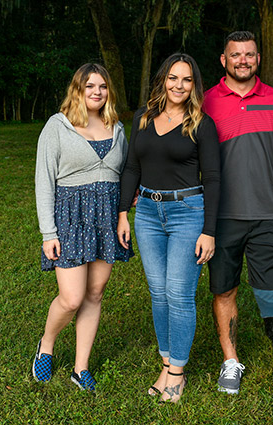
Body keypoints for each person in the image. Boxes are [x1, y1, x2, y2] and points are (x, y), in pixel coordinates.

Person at [201, 30, 273, 409]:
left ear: (258, 59)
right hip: (220, 217)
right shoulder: (206, 102)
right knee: (224, 290)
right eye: (235, 55)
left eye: (248, 55)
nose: (242, 60)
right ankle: (231, 362)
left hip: (267, 215)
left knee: (271, 292)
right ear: (223, 60)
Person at [117, 53, 220, 404]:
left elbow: (215, 179)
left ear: (195, 85)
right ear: (162, 80)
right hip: (146, 212)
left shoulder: (202, 124)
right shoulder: (143, 118)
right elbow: (132, 167)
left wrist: (209, 230)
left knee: (178, 292)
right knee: (157, 291)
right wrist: (122, 213)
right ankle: (166, 362)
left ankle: (177, 372)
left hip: (187, 213)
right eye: (173, 78)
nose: (178, 85)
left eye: (186, 80)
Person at [33, 63, 133, 392]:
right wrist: (49, 233)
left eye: (103, 87)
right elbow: (44, 182)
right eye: (90, 86)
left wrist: (124, 211)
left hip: (106, 218)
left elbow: (126, 174)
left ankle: (81, 368)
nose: (97, 92)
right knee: (72, 297)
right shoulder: (58, 126)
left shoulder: (116, 127)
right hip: (71, 218)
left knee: (95, 293)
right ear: (77, 89)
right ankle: (46, 345)